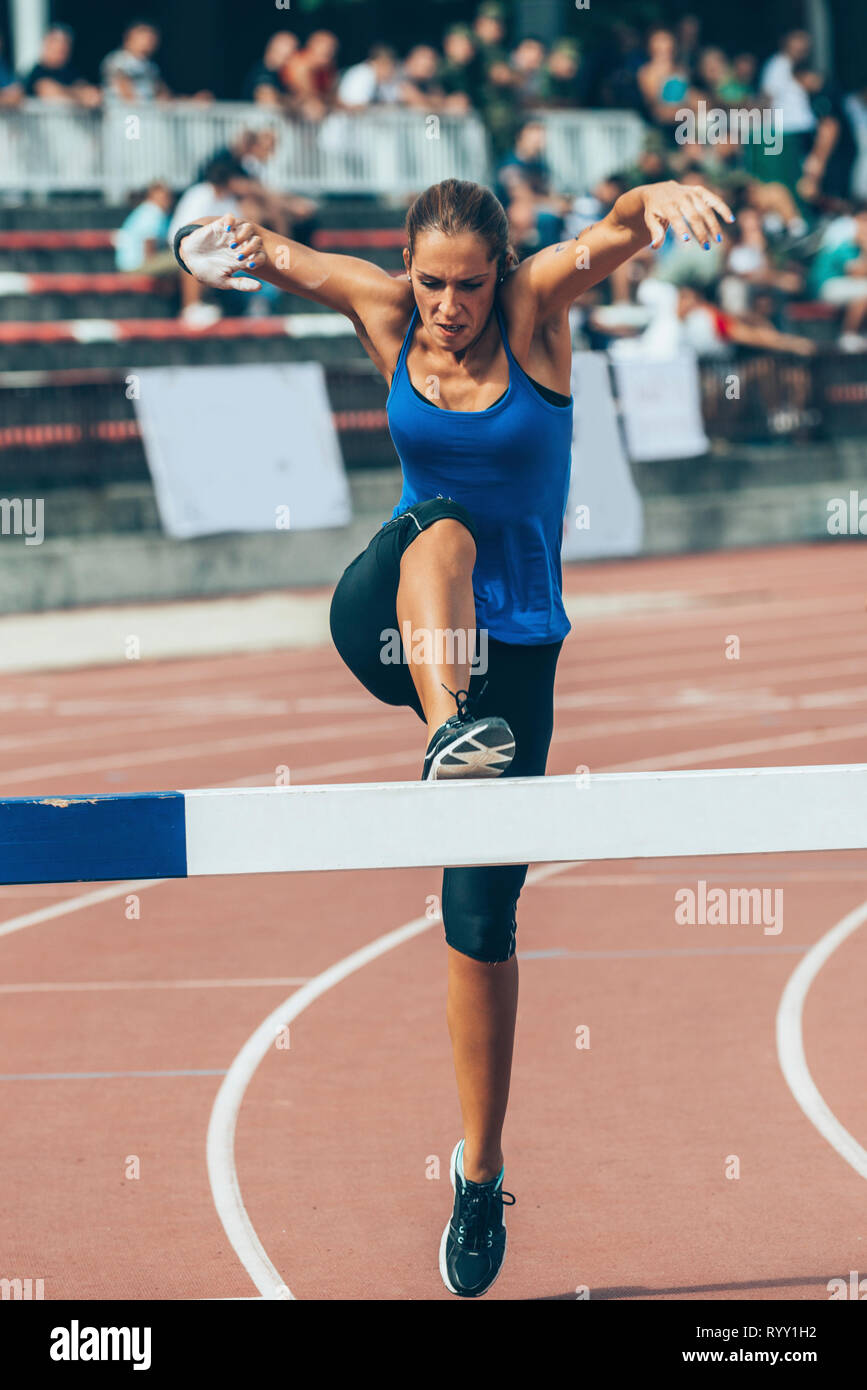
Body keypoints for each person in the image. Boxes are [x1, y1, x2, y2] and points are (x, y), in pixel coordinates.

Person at [172, 171, 734, 1298]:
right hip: (389, 622)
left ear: (499, 274)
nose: (446, 306)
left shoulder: (536, 312)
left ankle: (479, 1173)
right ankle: (446, 733)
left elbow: (612, 233)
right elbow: (278, 254)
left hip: (515, 649)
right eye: (431, 282)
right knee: (440, 527)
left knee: (481, 918)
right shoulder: (386, 309)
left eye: (466, 285)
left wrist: (656, 193)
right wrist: (219, 238)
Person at [24, 25, 101, 107]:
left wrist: (71, 93)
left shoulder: (70, 72)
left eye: (65, 45)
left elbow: (92, 94)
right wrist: (79, 96)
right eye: (58, 44)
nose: (62, 49)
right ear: (47, 44)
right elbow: (48, 91)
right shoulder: (37, 73)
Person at [115, 180, 175, 274]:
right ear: (151, 197)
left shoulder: (145, 210)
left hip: (127, 267)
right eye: (164, 197)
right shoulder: (153, 212)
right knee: (182, 260)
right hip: (135, 268)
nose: (167, 201)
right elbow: (149, 249)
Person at [100, 21, 168, 102]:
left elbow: (162, 92)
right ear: (129, 38)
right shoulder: (117, 60)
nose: (148, 42)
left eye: (151, 39)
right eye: (143, 37)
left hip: (148, 110)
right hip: (123, 111)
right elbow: (126, 94)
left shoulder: (151, 66)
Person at [241, 32, 299, 107]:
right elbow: (267, 101)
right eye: (287, 56)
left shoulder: (282, 75)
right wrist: (295, 104)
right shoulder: (262, 72)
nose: (292, 61)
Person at [336, 44, 400, 108]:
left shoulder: (381, 80)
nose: (389, 71)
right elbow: (357, 107)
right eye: (385, 65)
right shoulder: (363, 74)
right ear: (374, 63)